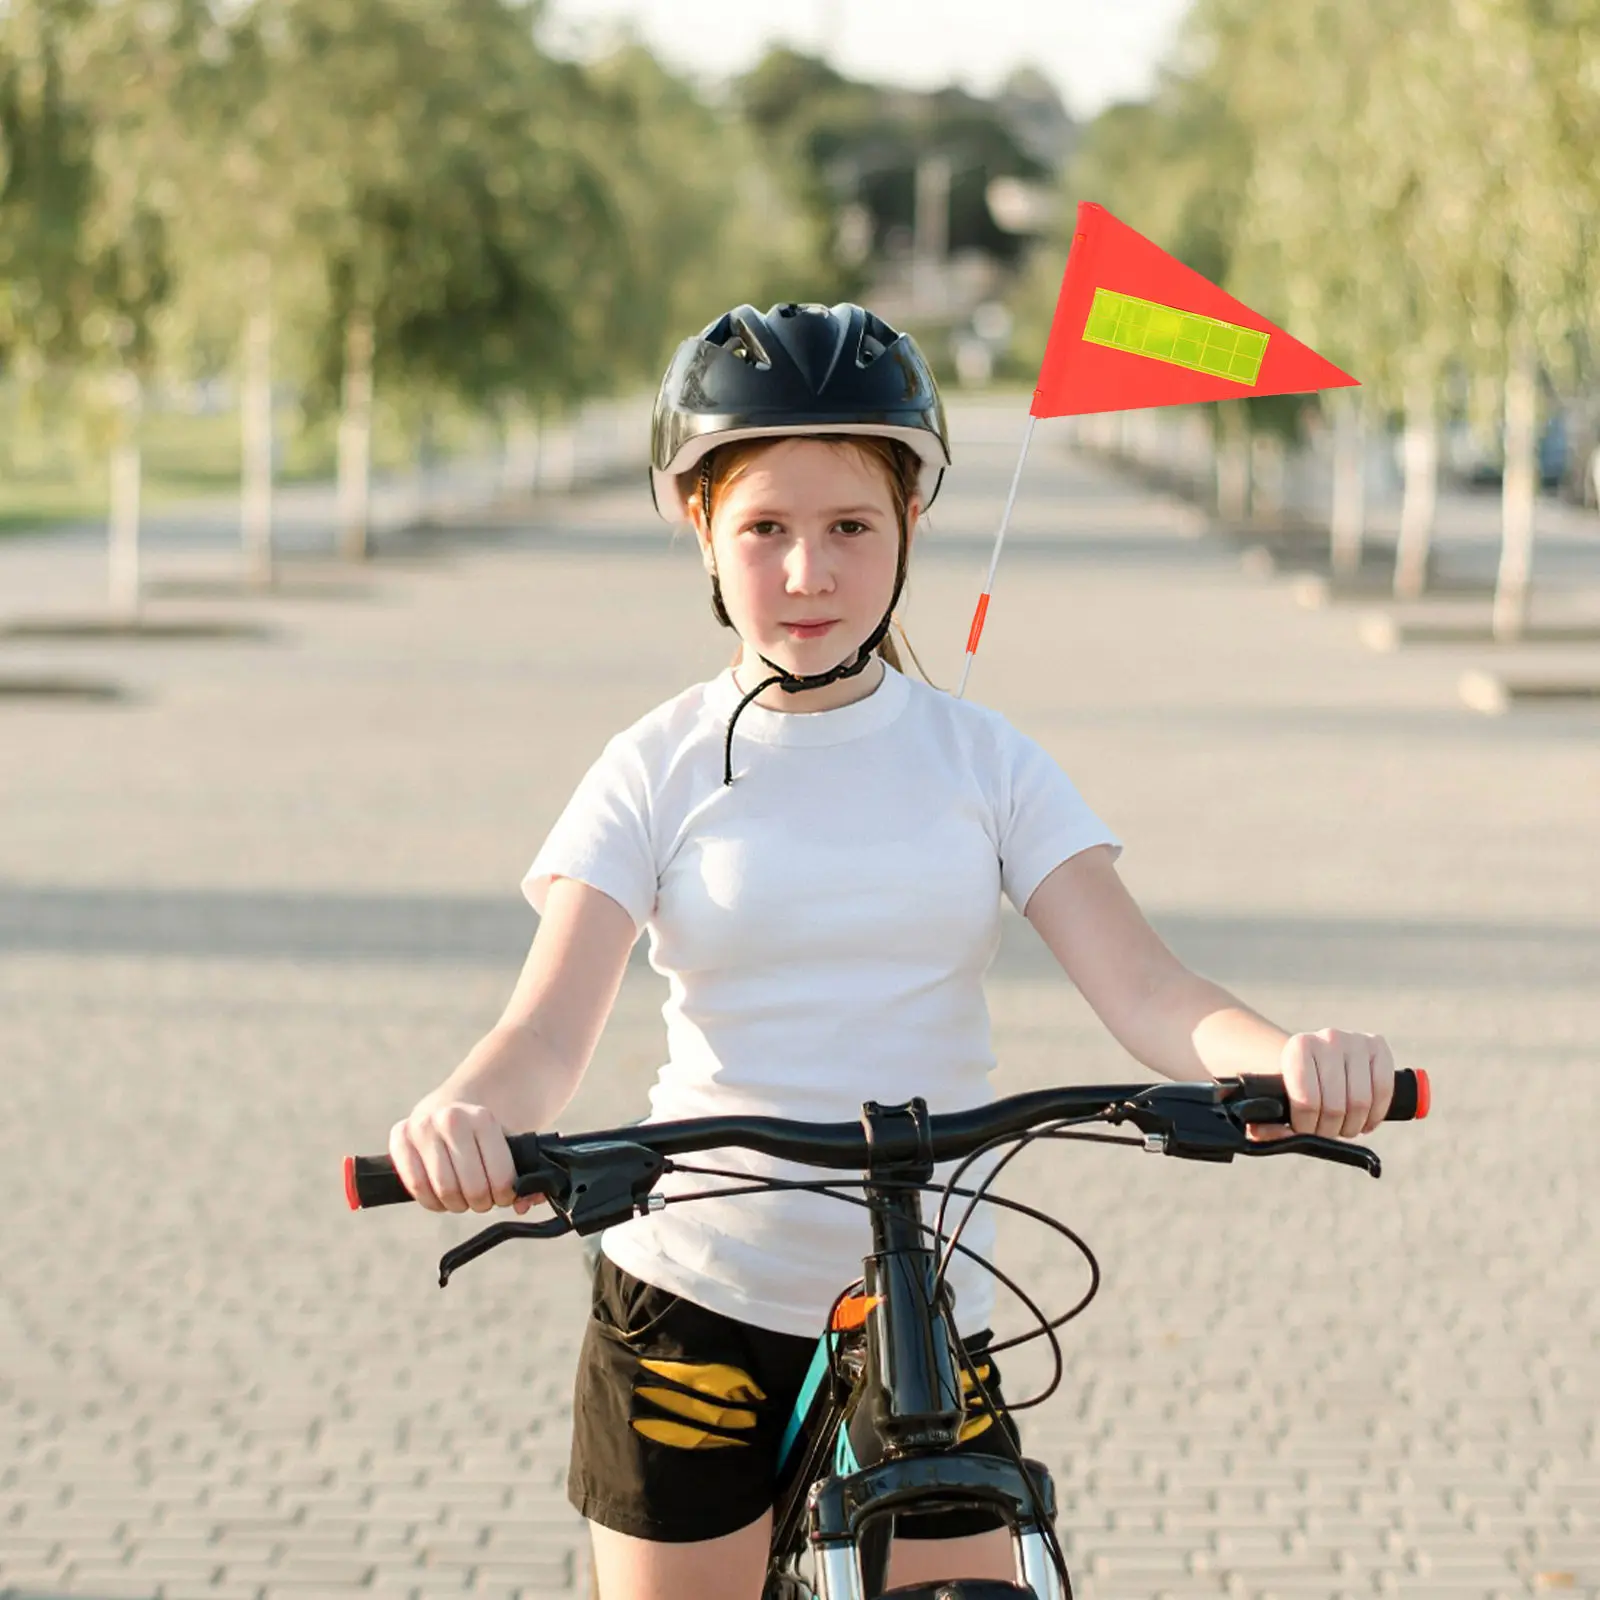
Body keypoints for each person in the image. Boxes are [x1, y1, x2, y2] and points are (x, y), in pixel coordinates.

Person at [388, 301, 1397, 1600]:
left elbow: (1148, 987)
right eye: (765, 529)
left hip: (923, 1316)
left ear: (910, 527)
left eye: (851, 527)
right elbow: (546, 1033)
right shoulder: (654, 768)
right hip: (695, 1302)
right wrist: (465, 1116)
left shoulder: (983, 760)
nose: (809, 573)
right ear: (701, 530)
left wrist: (1292, 1060)